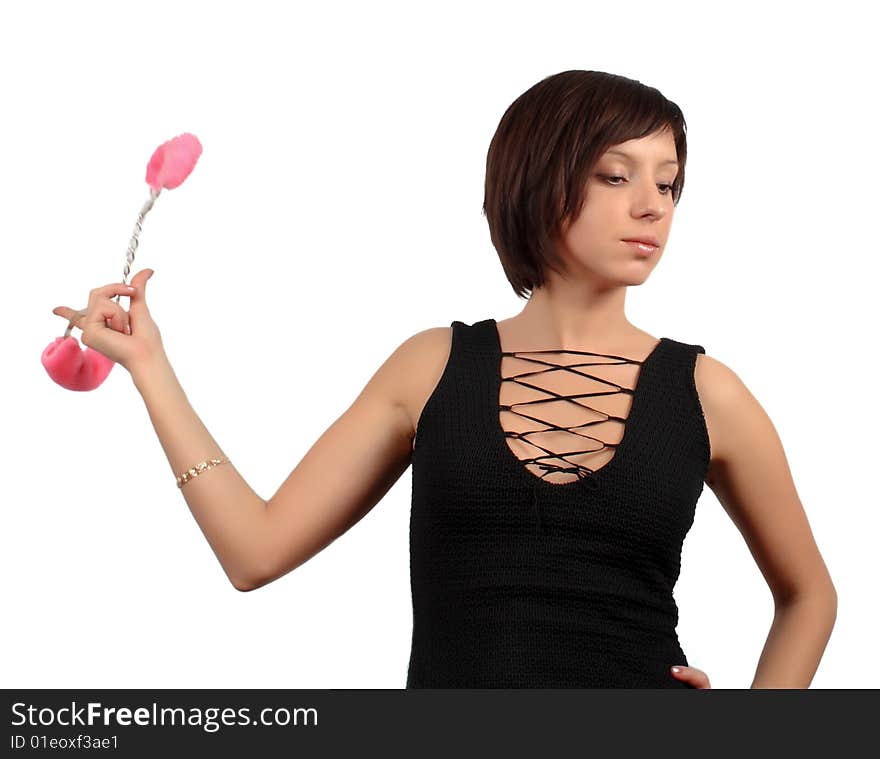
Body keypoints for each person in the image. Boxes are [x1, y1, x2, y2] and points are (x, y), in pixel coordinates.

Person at [52, 70, 837, 689]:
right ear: (540, 178)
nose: (651, 206)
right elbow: (254, 551)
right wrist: (151, 370)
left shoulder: (708, 393)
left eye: (667, 183)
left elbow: (810, 595)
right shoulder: (432, 367)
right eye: (615, 175)